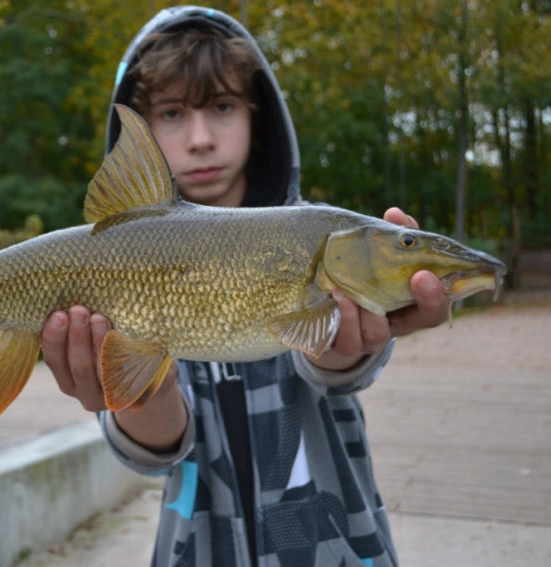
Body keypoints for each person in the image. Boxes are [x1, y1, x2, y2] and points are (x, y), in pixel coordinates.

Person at [42, 6, 450, 566]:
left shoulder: (329, 237)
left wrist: (337, 349)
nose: (202, 138)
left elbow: (340, 372)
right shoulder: (107, 260)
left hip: (338, 545)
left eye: (223, 106)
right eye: (171, 113)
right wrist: (143, 391)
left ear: (260, 116)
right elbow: (156, 453)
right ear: (138, 128)